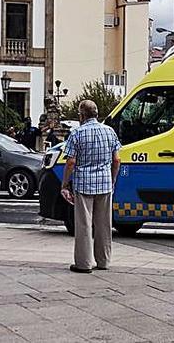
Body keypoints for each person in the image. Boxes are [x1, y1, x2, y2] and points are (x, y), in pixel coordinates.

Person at [60, 100, 121, 274]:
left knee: (84, 225)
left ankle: (84, 263)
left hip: (83, 184)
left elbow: (71, 162)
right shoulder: (110, 131)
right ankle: (103, 261)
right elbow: (117, 160)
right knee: (104, 224)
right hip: (105, 183)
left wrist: (65, 184)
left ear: (82, 115)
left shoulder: (77, 133)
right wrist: (112, 179)